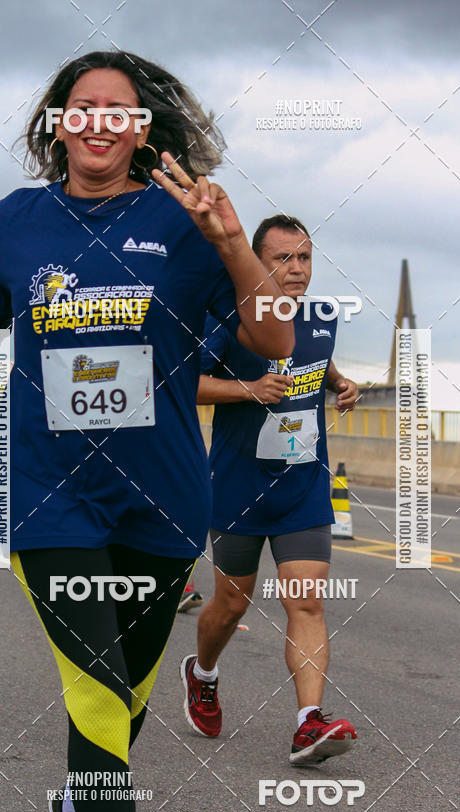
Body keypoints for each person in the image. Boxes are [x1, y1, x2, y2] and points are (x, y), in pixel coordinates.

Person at [0, 53, 293, 812]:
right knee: (96, 683)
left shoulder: (188, 225)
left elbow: (273, 342)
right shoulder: (15, 220)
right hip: (47, 494)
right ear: (58, 123)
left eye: (116, 109)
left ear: (142, 128)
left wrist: (232, 239)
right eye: (79, 107)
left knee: (122, 697)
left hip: (161, 497)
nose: (96, 121)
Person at [181, 214, 360, 766]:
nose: (296, 269)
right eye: (282, 258)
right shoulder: (228, 316)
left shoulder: (321, 317)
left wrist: (339, 382)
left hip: (303, 487)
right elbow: (184, 383)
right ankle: (203, 672)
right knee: (232, 603)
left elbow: (314, 355)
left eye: (303, 257)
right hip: (238, 488)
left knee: (306, 600)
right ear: (257, 263)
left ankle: (309, 724)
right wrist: (248, 389)